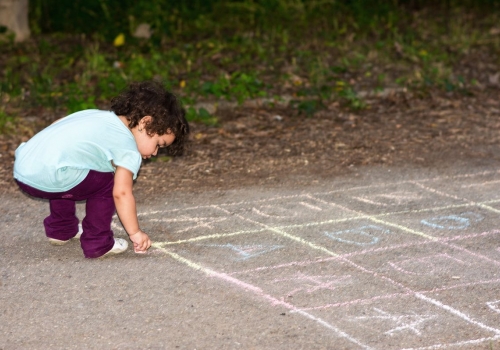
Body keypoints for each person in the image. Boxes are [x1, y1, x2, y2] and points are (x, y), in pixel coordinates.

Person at [13, 81, 190, 258]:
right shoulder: (128, 147)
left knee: (69, 165)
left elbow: (58, 125)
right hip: (48, 175)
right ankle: (98, 242)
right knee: (110, 182)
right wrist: (135, 232)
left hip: (25, 166)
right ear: (146, 122)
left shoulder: (98, 116)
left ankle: (62, 230)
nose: (155, 152)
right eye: (158, 144)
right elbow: (121, 193)